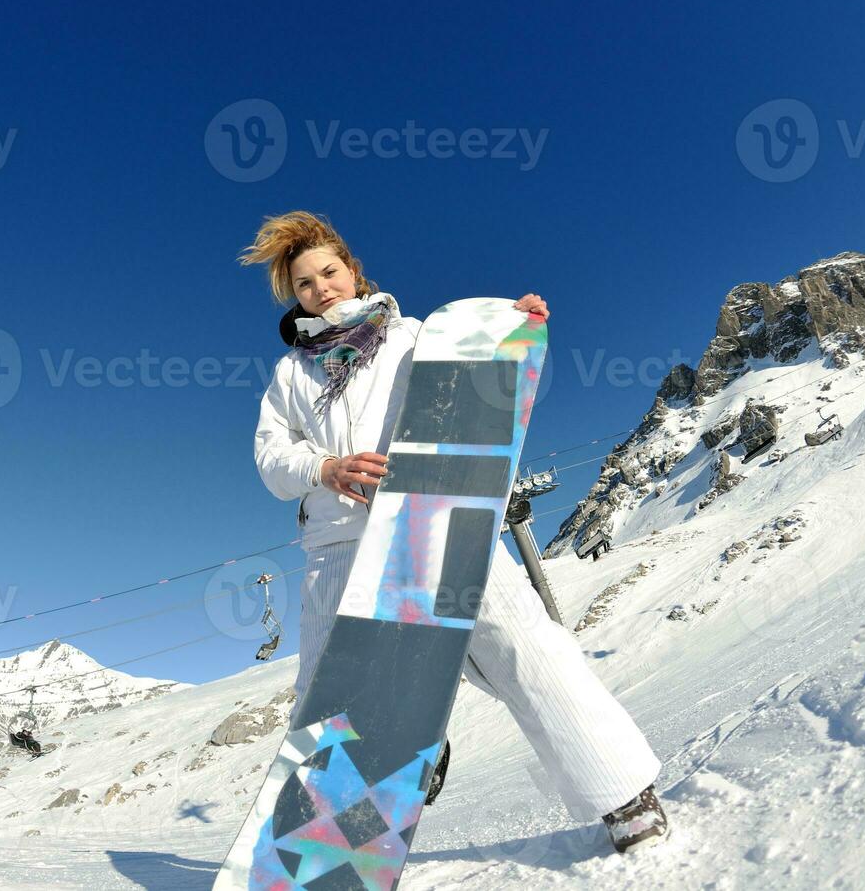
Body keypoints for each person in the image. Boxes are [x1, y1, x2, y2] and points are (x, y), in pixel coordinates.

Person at [240, 211, 669, 853]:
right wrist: (323, 467)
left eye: (329, 272)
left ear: (353, 273)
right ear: (294, 297)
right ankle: (334, 844)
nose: (320, 289)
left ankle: (622, 794)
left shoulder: (414, 337)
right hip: (339, 546)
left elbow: (475, 379)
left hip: (437, 517)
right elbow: (272, 462)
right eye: (303, 284)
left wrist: (509, 326)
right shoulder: (290, 377)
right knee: (329, 695)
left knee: (523, 646)